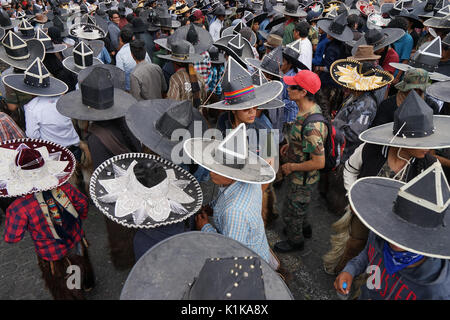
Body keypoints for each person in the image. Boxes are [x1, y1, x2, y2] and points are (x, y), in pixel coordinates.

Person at [324, 90, 448, 276]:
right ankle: (343, 272)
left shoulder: (429, 165)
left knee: (381, 260)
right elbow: (350, 168)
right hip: (365, 212)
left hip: (398, 226)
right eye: (422, 142)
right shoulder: (372, 149)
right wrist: (352, 196)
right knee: (354, 246)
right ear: (405, 139)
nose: (429, 148)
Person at [56, 67, 141, 270]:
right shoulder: (125, 120)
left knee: (119, 229)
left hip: (116, 191)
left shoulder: (96, 138)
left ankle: (126, 260)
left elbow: (104, 177)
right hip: (133, 179)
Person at [335, 161, 450, 300]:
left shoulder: (437, 291)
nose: (394, 240)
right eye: (395, 227)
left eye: (410, 235)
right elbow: (368, 254)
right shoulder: (380, 235)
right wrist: (350, 270)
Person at [3, 139, 95, 300]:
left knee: (64, 282)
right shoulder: (65, 187)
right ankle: (88, 284)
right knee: (80, 262)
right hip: (76, 238)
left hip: (52, 252)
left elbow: (12, 237)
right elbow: (82, 204)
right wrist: (77, 223)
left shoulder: (18, 209)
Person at [185, 123, 281, 271]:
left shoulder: (235, 212)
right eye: (212, 166)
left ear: (233, 174)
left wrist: (205, 227)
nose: (211, 173)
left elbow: (230, 253)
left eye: (218, 170)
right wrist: (212, 208)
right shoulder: (251, 179)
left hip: (250, 266)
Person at [274, 70, 327, 253]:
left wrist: (291, 166)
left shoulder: (313, 127)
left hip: (302, 179)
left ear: (303, 92)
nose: (288, 88)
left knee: (292, 210)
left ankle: (295, 240)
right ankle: (304, 228)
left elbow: (319, 162)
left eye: (293, 86)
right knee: (299, 208)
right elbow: (300, 139)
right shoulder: (303, 110)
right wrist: (290, 146)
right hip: (299, 175)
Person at [159, 40, 207, 107]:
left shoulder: (175, 79)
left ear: (175, 62)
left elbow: (173, 103)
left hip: (182, 116)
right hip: (197, 115)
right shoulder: (199, 77)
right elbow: (204, 98)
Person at [116, 28, 152, 92]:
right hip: (145, 87)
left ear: (120, 39)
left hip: (130, 89)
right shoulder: (140, 49)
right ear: (133, 38)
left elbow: (120, 75)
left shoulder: (120, 54)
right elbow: (149, 64)